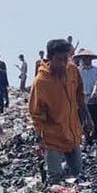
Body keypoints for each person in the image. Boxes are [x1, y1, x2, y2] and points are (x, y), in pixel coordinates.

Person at [30, 39, 90, 183]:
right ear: (50, 58)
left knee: (77, 172)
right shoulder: (41, 81)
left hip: (72, 131)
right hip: (53, 136)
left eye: (65, 58)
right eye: (59, 59)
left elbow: (79, 95)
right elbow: (37, 113)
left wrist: (88, 118)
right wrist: (39, 140)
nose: (63, 63)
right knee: (54, 178)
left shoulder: (71, 69)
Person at [75, 49, 97, 143]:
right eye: (84, 58)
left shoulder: (96, 70)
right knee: (83, 119)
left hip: (94, 99)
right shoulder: (77, 71)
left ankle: (95, 135)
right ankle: (87, 137)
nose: (87, 60)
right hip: (82, 98)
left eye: (88, 58)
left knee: (95, 117)